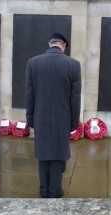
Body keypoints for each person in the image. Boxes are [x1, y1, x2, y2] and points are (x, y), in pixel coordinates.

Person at [25, 32, 82, 198]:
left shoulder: (33, 63)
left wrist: (30, 119)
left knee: (43, 155)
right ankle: (55, 191)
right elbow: (75, 98)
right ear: (63, 46)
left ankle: (43, 190)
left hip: (40, 117)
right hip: (62, 119)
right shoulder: (73, 65)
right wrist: (73, 122)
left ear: (50, 44)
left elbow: (29, 94)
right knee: (58, 155)